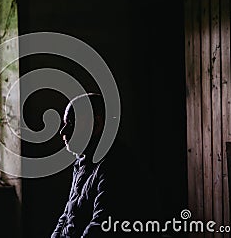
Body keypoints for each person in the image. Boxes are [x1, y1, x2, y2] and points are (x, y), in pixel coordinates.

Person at [51, 93, 158, 238]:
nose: (62, 131)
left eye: (70, 123)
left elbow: (100, 226)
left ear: (96, 124)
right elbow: (67, 215)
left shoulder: (116, 166)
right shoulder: (82, 163)